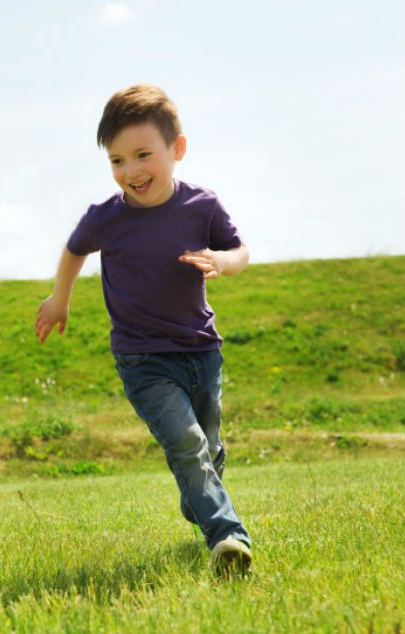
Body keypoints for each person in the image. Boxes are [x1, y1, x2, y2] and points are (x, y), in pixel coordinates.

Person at [35, 85, 252, 577]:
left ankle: (199, 499)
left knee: (209, 446)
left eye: (142, 155)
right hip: (143, 359)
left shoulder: (202, 206)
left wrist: (222, 261)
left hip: (202, 350)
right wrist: (60, 297)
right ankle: (227, 536)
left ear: (177, 149)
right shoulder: (106, 219)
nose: (130, 171)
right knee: (187, 444)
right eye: (116, 160)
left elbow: (240, 252)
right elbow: (74, 249)